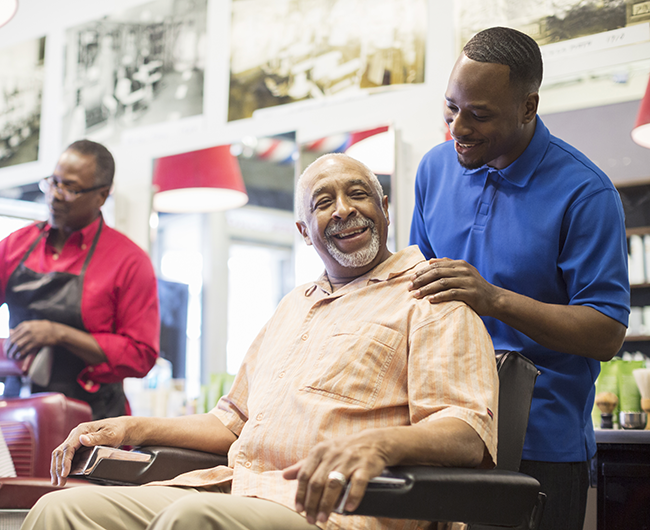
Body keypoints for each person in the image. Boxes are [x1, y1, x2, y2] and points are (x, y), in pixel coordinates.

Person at [23, 154, 498, 530]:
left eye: (358, 194)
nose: (345, 209)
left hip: (336, 510)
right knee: (61, 512)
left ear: (385, 209)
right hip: (233, 488)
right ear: (303, 233)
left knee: (191, 521)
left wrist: (380, 445)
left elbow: (467, 432)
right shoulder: (294, 305)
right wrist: (131, 428)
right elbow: (231, 421)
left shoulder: (432, 297)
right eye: (323, 202)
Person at [408, 27, 629, 530]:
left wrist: (495, 300)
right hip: (446, 430)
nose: (458, 127)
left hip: (543, 446)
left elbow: (607, 332)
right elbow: (418, 292)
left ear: (528, 108)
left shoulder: (585, 193)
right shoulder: (434, 170)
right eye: (451, 107)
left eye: (479, 114)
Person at [0, 139, 159, 419]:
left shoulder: (129, 261)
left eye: (70, 188)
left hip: (93, 417)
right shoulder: (15, 246)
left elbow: (141, 354)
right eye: (53, 183)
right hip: (18, 411)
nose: (56, 195)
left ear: (102, 196)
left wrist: (58, 333)